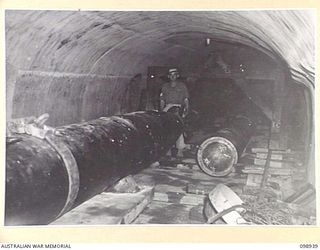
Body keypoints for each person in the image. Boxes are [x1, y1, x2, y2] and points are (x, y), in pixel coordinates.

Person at [159, 68, 190, 157]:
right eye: (171, 75)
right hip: (168, 107)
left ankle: (180, 149)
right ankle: (167, 149)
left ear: (177, 76)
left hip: (178, 108)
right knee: (167, 129)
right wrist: (162, 112)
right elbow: (162, 100)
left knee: (178, 128)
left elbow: (186, 99)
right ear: (168, 76)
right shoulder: (165, 86)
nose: (173, 76)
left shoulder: (182, 86)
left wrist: (186, 109)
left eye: (174, 75)